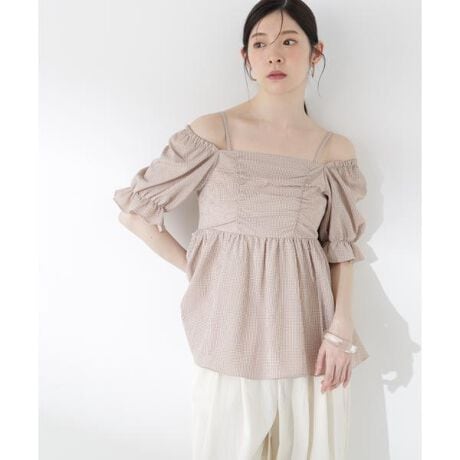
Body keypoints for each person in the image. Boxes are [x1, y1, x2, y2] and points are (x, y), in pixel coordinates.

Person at [113, 0, 369, 458]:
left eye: (289, 41)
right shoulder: (214, 133)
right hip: (228, 328)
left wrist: (341, 329)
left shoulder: (333, 152)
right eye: (260, 44)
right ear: (245, 57)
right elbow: (136, 211)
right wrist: (198, 269)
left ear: (316, 52)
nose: (274, 55)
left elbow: (341, 247)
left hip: (308, 333)